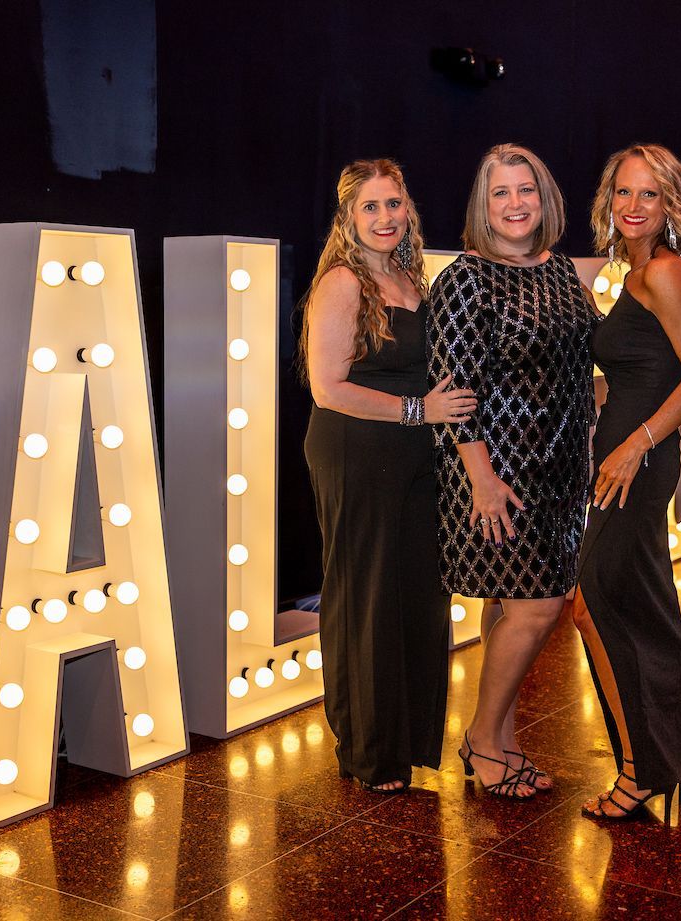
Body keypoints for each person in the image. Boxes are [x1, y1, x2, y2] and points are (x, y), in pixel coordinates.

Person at [428, 144, 599, 799]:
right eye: (500, 193)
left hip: (561, 468)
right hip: (498, 471)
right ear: (483, 205)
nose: (516, 203)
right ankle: (479, 737)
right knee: (537, 605)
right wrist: (482, 479)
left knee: (508, 605)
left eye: (525, 189)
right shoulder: (467, 278)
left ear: (544, 196)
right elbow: (456, 386)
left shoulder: (562, 272)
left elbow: (580, 361)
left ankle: (500, 737)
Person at [301, 159, 476, 793]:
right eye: (370, 207)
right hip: (358, 449)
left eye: (393, 204)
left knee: (418, 597)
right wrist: (418, 410)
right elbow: (327, 388)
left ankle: (404, 741)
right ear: (349, 217)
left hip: (414, 454)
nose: (385, 217)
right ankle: (370, 752)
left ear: (409, 209)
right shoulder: (343, 283)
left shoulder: (412, 277)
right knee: (368, 596)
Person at [574, 144, 681, 823]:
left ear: (670, 205)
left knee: (600, 600)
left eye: (649, 194)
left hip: (640, 463)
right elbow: (645, 369)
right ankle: (654, 762)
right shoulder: (630, 274)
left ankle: (642, 769)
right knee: (621, 603)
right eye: (624, 193)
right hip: (622, 458)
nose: (633, 205)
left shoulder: (663, 272)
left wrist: (636, 442)